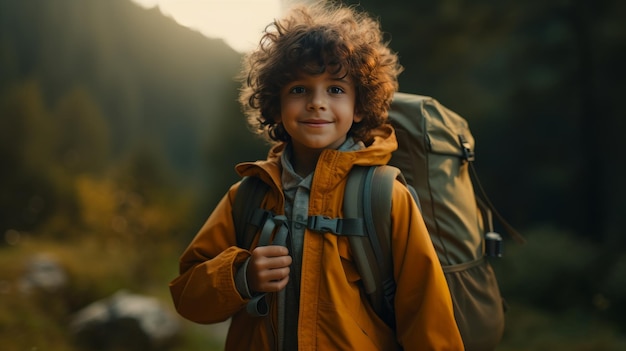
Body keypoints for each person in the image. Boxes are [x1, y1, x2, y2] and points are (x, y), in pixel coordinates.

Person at [169, 1, 463, 350]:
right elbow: (188, 296)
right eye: (299, 89)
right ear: (276, 107)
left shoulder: (385, 197)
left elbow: (427, 316)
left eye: (336, 89)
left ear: (359, 108)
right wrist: (241, 277)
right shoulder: (248, 194)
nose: (316, 102)